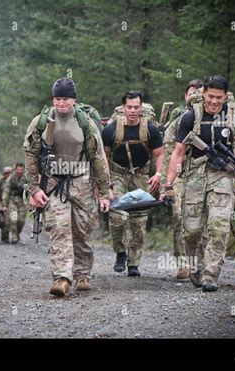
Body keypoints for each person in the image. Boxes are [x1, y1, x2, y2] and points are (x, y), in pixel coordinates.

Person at [163, 75, 235, 292]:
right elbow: (178, 153)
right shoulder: (190, 117)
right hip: (195, 175)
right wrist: (168, 184)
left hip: (224, 176)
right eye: (210, 96)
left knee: (219, 226)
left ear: (225, 96)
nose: (214, 101)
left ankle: (211, 274)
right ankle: (195, 268)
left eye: (219, 97)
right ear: (203, 94)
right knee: (191, 230)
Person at [23, 77, 110, 297]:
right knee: (59, 228)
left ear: (74, 101)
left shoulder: (84, 123)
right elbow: (31, 156)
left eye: (66, 99)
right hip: (53, 183)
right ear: (53, 99)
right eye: (57, 99)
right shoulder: (41, 122)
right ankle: (61, 277)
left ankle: (82, 273)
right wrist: (34, 189)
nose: (61, 104)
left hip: (81, 180)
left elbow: (98, 158)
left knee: (82, 230)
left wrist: (104, 192)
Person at [101, 91, 164, 277]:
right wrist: (106, 182)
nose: (133, 111)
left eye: (137, 107)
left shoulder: (150, 129)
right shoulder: (111, 130)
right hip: (117, 174)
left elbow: (160, 154)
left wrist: (158, 174)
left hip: (141, 176)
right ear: (123, 108)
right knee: (117, 216)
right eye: (130, 107)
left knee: (138, 221)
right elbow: (103, 155)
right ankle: (120, 252)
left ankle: (134, 262)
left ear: (141, 108)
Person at [161, 79, 203, 280]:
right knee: (179, 216)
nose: (193, 97)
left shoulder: (211, 118)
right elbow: (168, 154)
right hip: (178, 175)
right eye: (190, 93)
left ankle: (201, 263)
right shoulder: (178, 121)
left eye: (198, 93)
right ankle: (184, 263)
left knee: (200, 219)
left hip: (202, 175)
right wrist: (165, 184)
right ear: (185, 96)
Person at [2, 163, 27, 244]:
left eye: (21, 170)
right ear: (16, 170)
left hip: (22, 201)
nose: (19, 171)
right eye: (18, 170)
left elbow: (30, 192)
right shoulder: (11, 178)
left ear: (23, 170)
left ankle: (17, 233)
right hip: (12, 201)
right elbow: (6, 191)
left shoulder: (26, 179)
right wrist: (5, 204)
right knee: (13, 218)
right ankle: (14, 237)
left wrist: (30, 204)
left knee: (21, 221)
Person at [0, 166, 13, 243]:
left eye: (8, 173)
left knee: (7, 221)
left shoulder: (13, 181)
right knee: (1, 220)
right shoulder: (0, 182)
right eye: (5, 173)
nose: (7, 175)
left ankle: (5, 237)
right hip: (1, 202)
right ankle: (4, 232)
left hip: (11, 202)